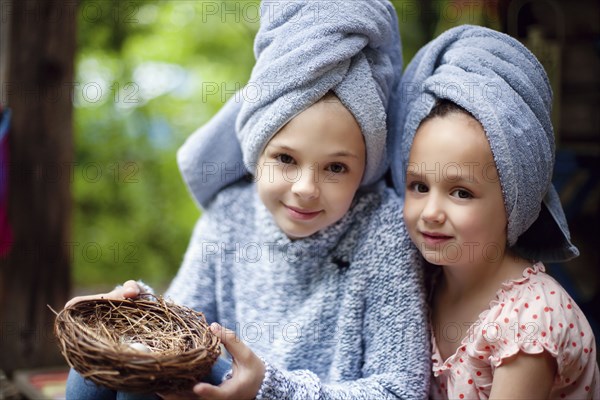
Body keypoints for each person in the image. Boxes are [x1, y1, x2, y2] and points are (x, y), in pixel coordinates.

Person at [65, 1, 430, 399]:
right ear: (256, 153)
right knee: (119, 353)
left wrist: (270, 390)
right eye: (286, 159)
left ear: (365, 168)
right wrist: (134, 310)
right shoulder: (230, 215)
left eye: (336, 168)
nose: (306, 188)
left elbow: (401, 390)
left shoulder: (384, 230)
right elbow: (182, 325)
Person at [389, 25, 600, 399]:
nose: (431, 212)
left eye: (461, 192)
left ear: (514, 202)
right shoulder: (424, 282)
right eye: (419, 186)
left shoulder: (530, 320)